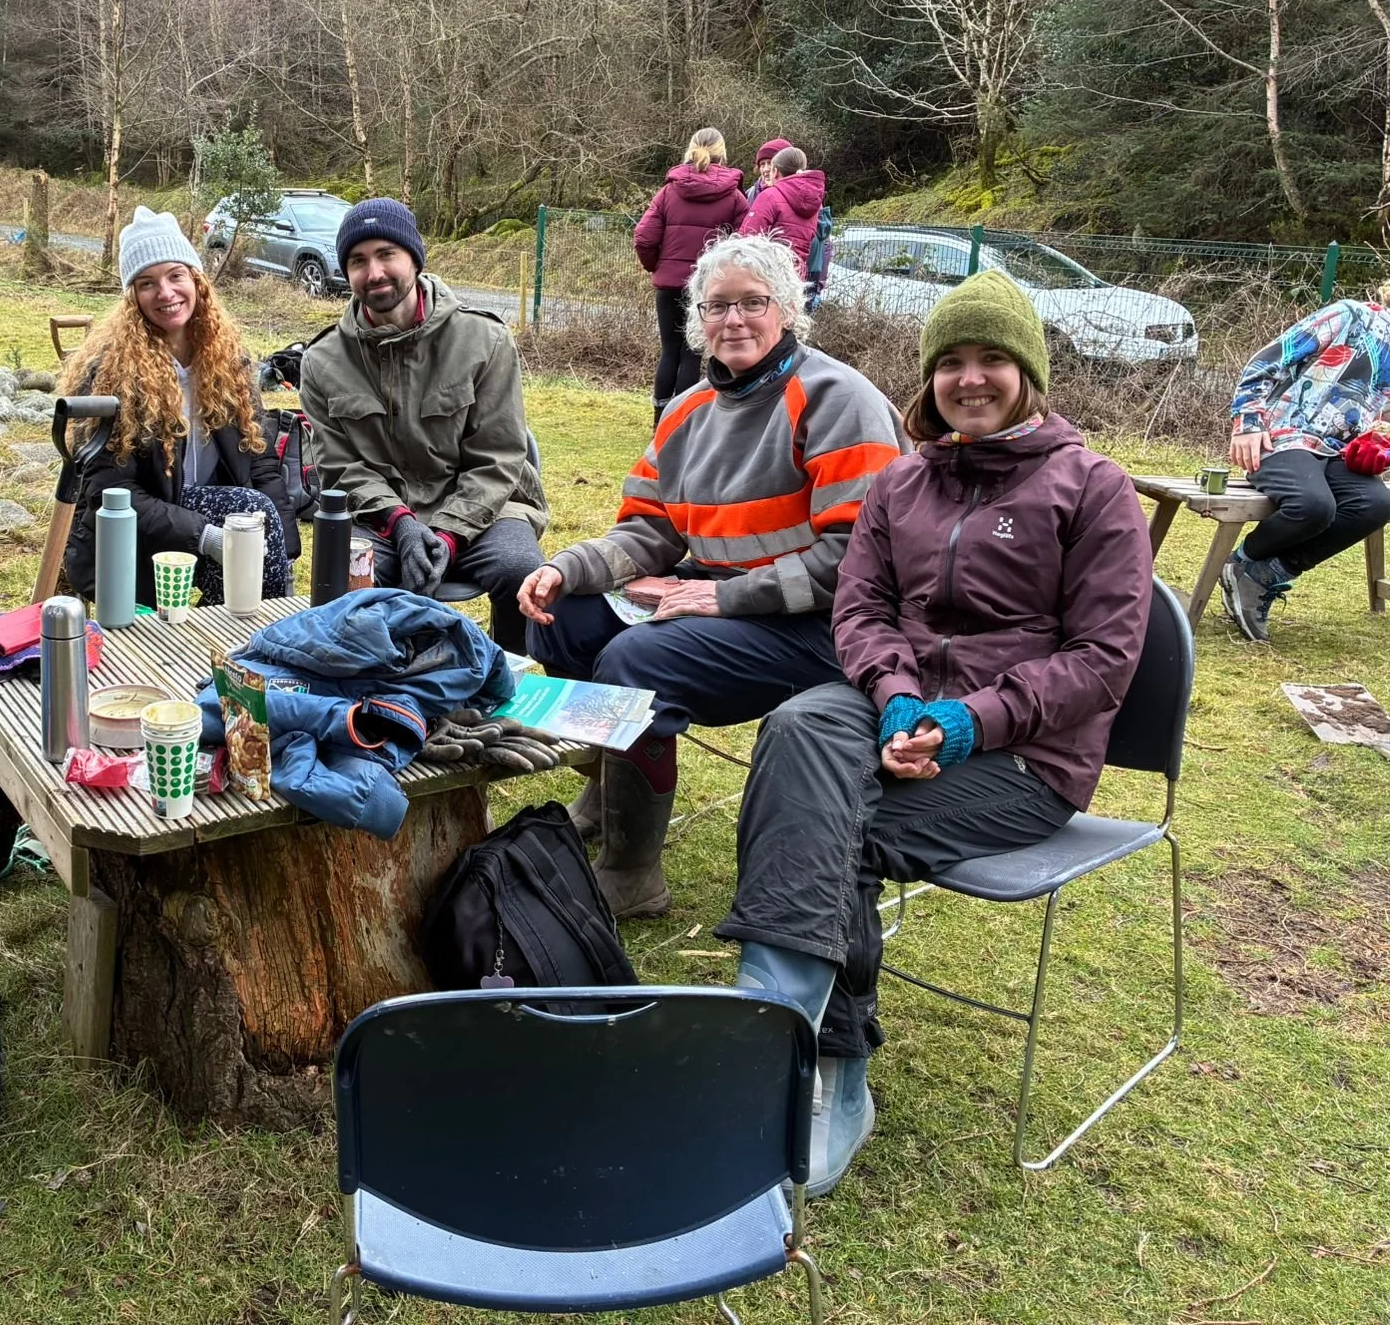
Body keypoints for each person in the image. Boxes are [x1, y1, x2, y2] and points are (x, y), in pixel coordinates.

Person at [713, 271, 1151, 1196]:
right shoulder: (902, 482)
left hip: (1028, 757)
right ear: (929, 380)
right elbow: (861, 610)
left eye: (992, 358)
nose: (971, 377)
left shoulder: (1095, 488)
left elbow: (1104, 660)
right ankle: (772, 1034)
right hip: (894, 711)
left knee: (833, 836)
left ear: (1027, 371)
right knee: (798, 723)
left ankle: (825, 1067)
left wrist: (969, 719)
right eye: (951, 361)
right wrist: (900, 695)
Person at [517, 235, 905, 919]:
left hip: (827, 628)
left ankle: (632, 874)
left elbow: (856, 562)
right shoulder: (685, 409)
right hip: (727, 601)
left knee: (636, 663)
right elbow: (650, 530)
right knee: (562, 617)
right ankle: (610, 794)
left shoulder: (838, 399)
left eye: (753, 304)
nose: (735, 320)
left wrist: (720, 598)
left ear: (787, 309)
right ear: (696, 317)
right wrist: (565, 569)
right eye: (717, 305)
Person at [299, 198, 550, 653]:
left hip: (487, 512)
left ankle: (510, 680)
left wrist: (450, 535)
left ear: (414, 258)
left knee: (519, 571)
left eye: (386, 254)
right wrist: (400, 523)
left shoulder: (485, 340)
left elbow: (499, 457)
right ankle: (382, 691)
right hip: (380, 519)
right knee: (345, 578)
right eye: (358, 260)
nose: (374, 272)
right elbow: (337, 466)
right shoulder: (321, 361)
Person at [58, 206, 298, 607]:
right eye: (147, 283)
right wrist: (206, 534)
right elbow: (109, 491)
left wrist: (283, 548)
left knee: (252, 522)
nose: (166, 293)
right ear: (132, 297)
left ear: (197, 281)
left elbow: (259, 461)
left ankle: (235, 643)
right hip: (135, 531)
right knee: (245, 511)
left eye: (175, 275)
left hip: (209, 515)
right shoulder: (110, 373)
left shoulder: (228, 360)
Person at [1220, 291, 1390, 641]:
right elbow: (1266, 361)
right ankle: (1243, 561)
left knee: (1377, 503)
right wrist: (1248, 423)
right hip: (1280, 438)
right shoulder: (1351, 316)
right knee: (1313, 506)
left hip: (1337, 452)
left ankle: (1266, 572)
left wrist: (1378, 444)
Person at [634, 127, 749, 423]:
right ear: (722, 153)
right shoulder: (735, 198)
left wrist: (657, 266)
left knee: (669, 351)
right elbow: (744, 244)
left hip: (669, 284)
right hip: (707, 286)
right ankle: (682, 421)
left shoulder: (668, 192)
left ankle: (659, 420)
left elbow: (644, 238)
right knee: (692, 353)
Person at [740, 144, 827, 275]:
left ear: (775, 171)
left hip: (768, 275)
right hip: (795, 277)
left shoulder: (770, 196)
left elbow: (746, 239)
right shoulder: (813, 202)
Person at [746, 137, 790, 202]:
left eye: (770, 163)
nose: (766, 169)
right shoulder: (749, 195)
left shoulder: (797, 192)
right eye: (762, 164)